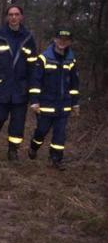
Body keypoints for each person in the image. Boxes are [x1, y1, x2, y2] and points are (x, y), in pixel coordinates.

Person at [0, 5, 38, 161]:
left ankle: (13, 151)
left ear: (21, 17)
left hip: (20, 91)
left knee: (17, 125)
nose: (13, 17)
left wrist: (34, 95)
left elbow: (33, 68)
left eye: (17, 14)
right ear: (6, 17)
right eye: (10, 14)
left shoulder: (28, 38)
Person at [27, 29, 80, 170]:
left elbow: (74, 84)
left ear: (70, 42)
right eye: (60, 39)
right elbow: (35, 82)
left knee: (60, 134)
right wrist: (34, 101)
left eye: (66, 39)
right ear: (55, 40)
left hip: (64, 105)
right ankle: (33, 147)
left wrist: (75, 103)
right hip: (46, 104)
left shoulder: (71, 60)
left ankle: (56, 158)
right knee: (41, 131)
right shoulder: (44, 58)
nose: (62, 42)